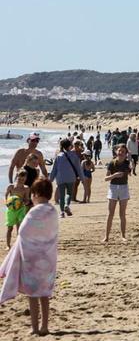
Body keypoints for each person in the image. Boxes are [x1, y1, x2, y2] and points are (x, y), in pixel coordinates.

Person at [0, 179, 57, 335]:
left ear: (36, 194)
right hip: (48, 259)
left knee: (32, 294)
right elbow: (51, 233)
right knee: (44, 294)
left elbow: (23, 232)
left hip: (32, 260)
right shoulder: (52, 211)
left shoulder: (34, 211)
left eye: (32, 194)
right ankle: (45, 326)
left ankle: (35, 328)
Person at [103, 144, 131, 242]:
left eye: (123, 152)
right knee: (110, 213)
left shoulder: (127, 163)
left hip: (124, 187)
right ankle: (106, 236)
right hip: (113, 188)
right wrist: (114, 175)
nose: (121, 153)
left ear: (126, 153)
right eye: (119, 151)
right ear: (116, 152)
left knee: (122, 214)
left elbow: (130, 172)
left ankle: (123, 236)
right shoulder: (112, 163)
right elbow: (105, 178)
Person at [49, 138, 81, 218]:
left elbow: (54, 169)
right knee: (69, 193)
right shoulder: (74, 155)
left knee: (61, 195)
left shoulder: (58, 156)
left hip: (60, 178)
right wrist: (82, 178)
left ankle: (62, 213)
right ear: (70, 146)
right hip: (71, 177)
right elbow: (78, 168)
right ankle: (67, 205)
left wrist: (50, 180)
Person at [5, 171, 31, 249]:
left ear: (25, 179)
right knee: (10, 228)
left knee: (19, 227)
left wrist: (25, 202)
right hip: (11, 210)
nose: (21, 180)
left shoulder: (26, 188)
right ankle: (8, 245)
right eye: (19, 179)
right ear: (16, 177)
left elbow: (27, 199)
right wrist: (7, 202)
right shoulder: (11, 187)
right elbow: (6, 195)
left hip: (21, 209)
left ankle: (18, 244)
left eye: (23, 179)